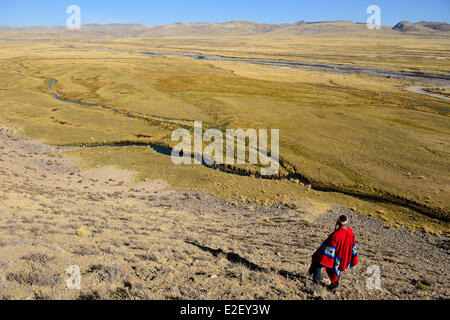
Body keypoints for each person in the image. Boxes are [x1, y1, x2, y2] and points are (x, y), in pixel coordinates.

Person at [308, 215, 358, 292]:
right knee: (338, 267)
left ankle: (316, 284)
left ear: (338, 221)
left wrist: (318, 254)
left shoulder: (335, 235)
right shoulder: (350, 231)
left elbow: (328, 248)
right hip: (344, 257)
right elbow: (353, 245)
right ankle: (334, 286)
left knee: (317, 263)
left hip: (334, 257)